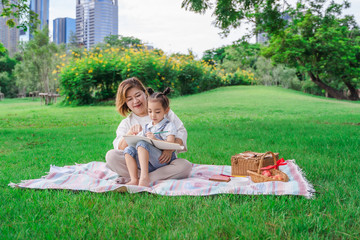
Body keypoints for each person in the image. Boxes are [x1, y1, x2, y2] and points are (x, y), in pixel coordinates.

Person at [105, 77, 192, 185]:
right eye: (129, 99)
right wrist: (130, 134)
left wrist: (169, 149)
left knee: (185, 166)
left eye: (138, 95)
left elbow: (181, 132)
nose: (135, 101)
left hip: (163, 161)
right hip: (138, 165)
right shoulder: (126, 123)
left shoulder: (162, 111)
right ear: (125, 103)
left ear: (145, 93)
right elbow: (120, 149)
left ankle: (137, 179)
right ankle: (144, 177)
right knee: (111, 156)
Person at [124, 87, 178, 187]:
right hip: (148, 163)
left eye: (157, 112)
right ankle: (134, 179)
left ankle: (144, 178)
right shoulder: (147, 126)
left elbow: (171, 145)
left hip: (162, 160)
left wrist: (155, 140)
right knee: (128, 149)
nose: (153, 115)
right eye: (149, 111)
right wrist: (134, 136)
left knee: (142, 144)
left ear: (166, 110)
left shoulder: (169, 125)